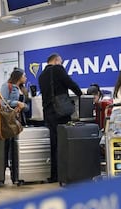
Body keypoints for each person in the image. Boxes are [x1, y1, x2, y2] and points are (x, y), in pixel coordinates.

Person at [38, 53, 82, 182]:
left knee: (53, 144)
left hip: (48, 113)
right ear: (56, 61)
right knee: (63, 143)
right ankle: (64, 173)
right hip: (60, 112)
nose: (62, 65)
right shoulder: (58, 69)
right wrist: (81, 94)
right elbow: (70, 83)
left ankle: (54, 174)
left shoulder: (41, 76)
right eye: (61, 62)